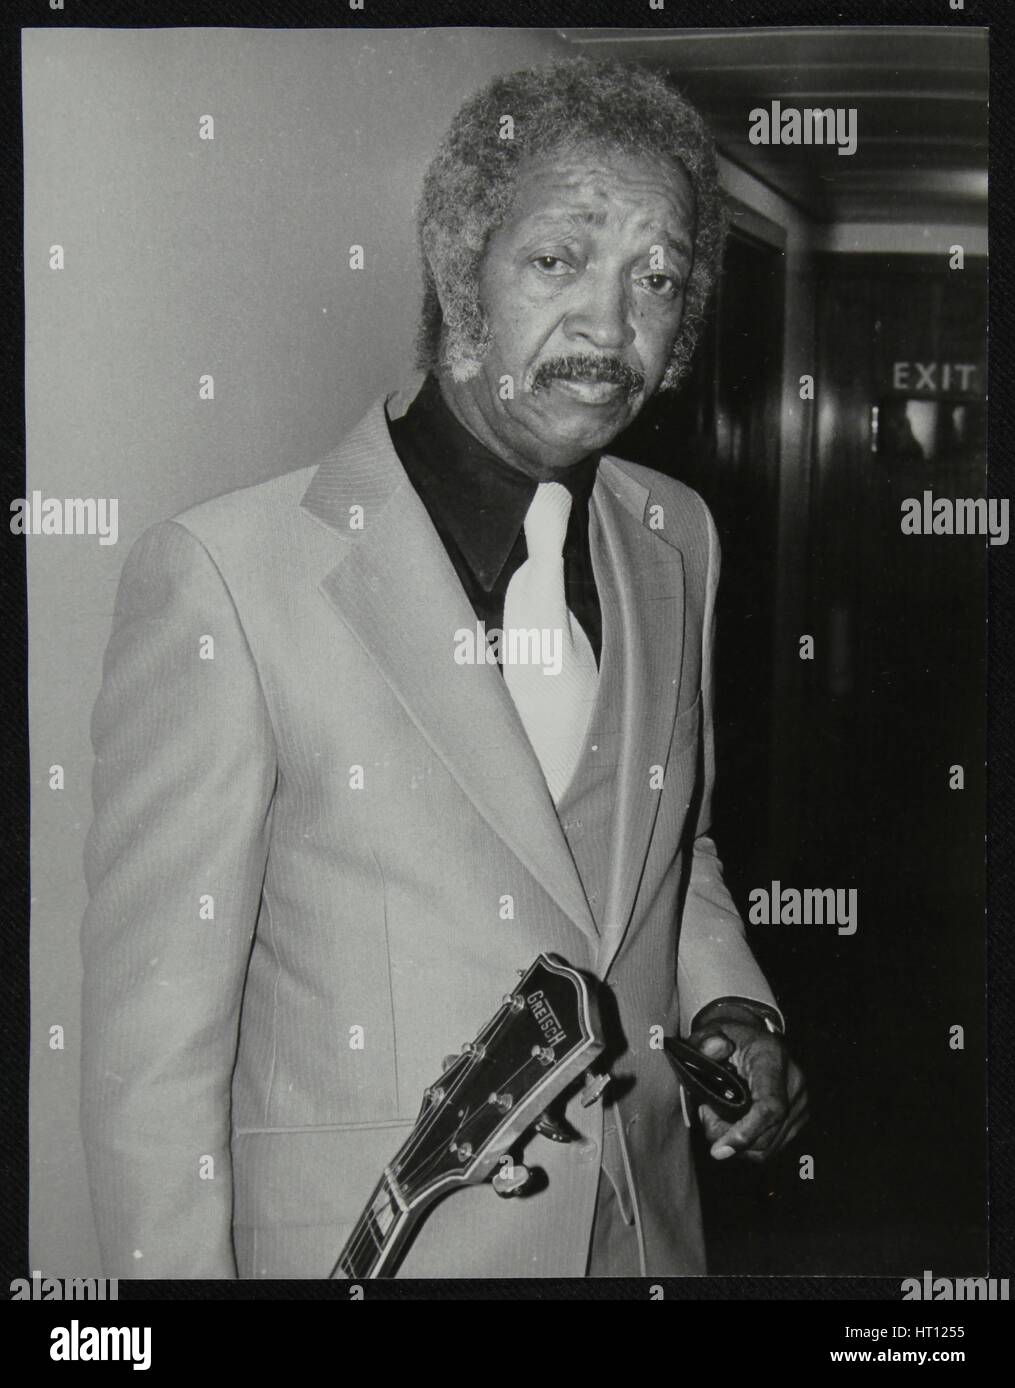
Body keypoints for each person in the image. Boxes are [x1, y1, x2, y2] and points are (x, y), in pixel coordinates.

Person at [80, 55, 807, 1280]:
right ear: (459, 272)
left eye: (659, 276)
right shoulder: (228, 576)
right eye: (556, 260)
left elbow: (663, 845)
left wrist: (736, 1008)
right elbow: (150, 1067)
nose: (609, 326)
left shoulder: (673, 532)